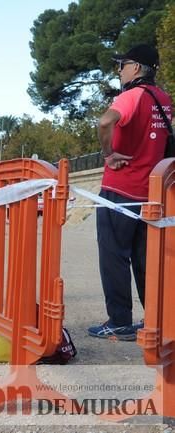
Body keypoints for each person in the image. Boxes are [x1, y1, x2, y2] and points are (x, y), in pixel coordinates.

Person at [88, 44, 172, 341]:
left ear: (136, 67)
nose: (119, 71)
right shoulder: (164, 98)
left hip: (119, 189)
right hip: (150, 193)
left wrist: (108, 153)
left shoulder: (130, 95)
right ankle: (156, 320)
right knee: (145, 260)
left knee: (113, 257)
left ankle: (120, 322)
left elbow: (105, 121)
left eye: (122, 65)